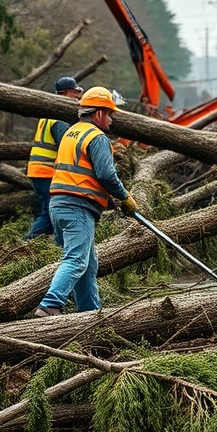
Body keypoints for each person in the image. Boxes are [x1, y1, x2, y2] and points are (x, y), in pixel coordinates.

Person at [34, 86, 138, 317]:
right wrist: (124, 196)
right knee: (77, 260)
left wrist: (106, 199)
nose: (111, 120)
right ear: (99, 114)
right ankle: (50, 304)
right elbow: (106, 175)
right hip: (77, 206)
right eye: (109, 114)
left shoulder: (72, 133)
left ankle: (89, 314)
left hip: (59, 204)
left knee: (88, 265)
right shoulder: (97, 137)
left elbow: (83, 174)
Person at [25, 75, 84, 239]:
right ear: (65, 93)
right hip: (46, 172)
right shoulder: (59, 117)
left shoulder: (48, 114)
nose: (77, 97)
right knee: (52, 213)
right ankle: (27, 244)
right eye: (74, 92)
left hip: (38, 171)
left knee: (48, 210)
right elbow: (66, 145)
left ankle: (33, 244)